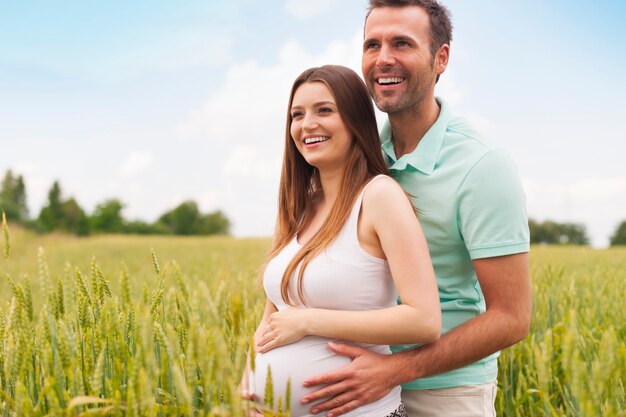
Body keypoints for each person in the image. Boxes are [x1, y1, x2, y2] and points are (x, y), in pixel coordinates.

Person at [300, 1, 532, 417]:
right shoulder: (362, 157)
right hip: (357, 391)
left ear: (441, 58)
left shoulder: (482, 166)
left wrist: (396, 369)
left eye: (402, 43)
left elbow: (512, 317)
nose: (383, 58)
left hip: (446, 395)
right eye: (373, 45)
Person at [241, 65, 441, 417]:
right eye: (297, 115)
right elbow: (275, 310)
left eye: (324, 110)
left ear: (354, 120)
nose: (307, 125)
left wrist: (308, 321)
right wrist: (250, 381)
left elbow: (424, 320)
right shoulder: (300, 204)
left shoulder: (379, 196)